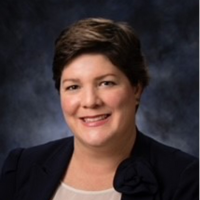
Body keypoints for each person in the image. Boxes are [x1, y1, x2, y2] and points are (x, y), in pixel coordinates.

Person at [0, 18, 198, 200]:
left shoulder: (186, 178)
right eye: (73, 87)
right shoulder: (21, 167)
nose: (90, 101)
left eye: (106, 83)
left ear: (136, 88)